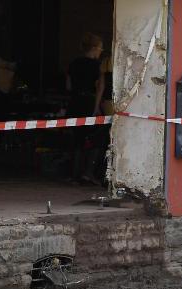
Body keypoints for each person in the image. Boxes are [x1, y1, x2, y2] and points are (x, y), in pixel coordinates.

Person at [67, 33, 103, 184]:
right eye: (101, 48)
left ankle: (75, 175)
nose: (101, 51)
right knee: (96, 138)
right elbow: (100, 86)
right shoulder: (97, 66)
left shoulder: (74, 63)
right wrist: (96, 107)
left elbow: (68, 85)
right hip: (89, 101)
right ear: (95, 48)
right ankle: (88, 172)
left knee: (77, 139)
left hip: (75, 102)